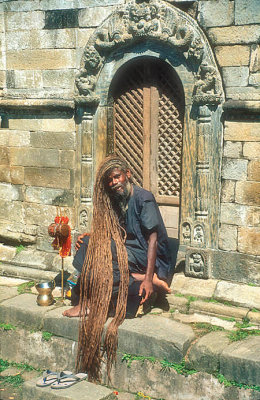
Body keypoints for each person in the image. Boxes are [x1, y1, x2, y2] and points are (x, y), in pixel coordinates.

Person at [64, 155, 173, 380]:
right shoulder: (117, 199)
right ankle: (92, 295)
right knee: (86, 245)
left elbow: (152, 239)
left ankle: (94, 303)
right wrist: (91, 237)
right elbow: (112, 230)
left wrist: (148, 277)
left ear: (128, 175)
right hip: (124, 249)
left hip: (146, 254)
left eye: (117, 177)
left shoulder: (144, 198)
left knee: (107, 257)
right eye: (110, 180)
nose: (114, 182)